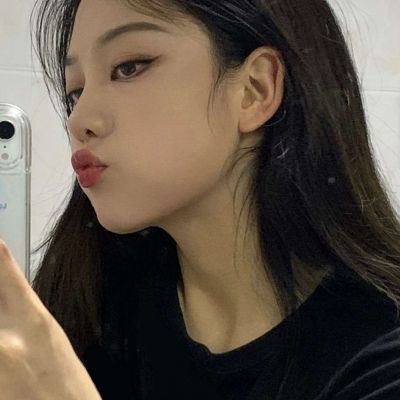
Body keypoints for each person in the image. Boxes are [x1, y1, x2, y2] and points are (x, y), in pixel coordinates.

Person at [30, 0, 400, 399]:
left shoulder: (380, 355)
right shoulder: (93, 307)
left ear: (255, 89)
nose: (78, 120)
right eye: (75, 92)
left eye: (129, 67)